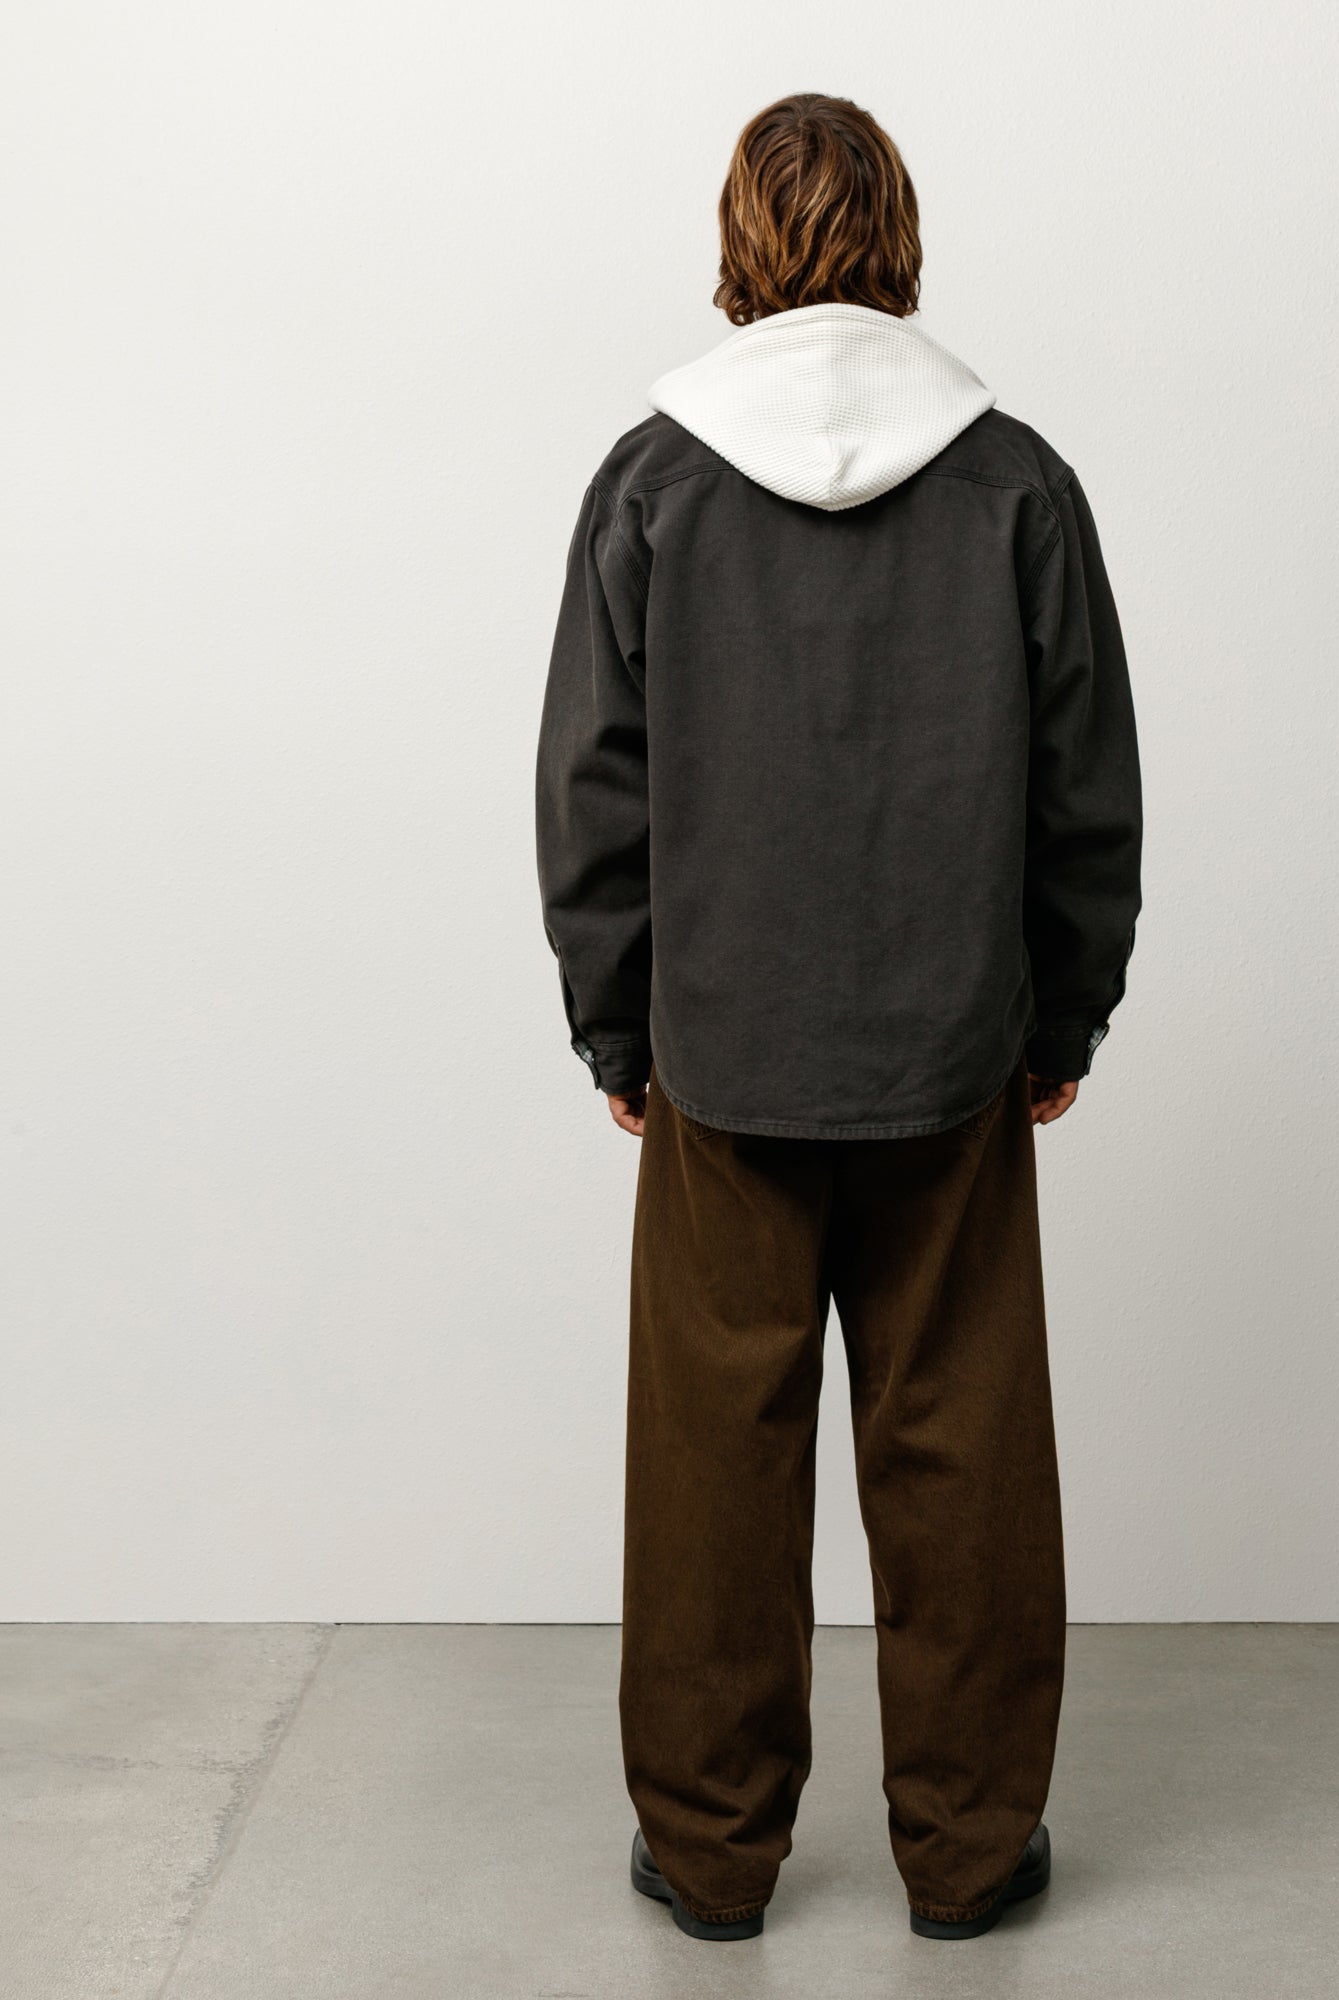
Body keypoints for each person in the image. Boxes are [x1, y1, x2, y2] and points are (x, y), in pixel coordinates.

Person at [535, 92, 1142, 1943]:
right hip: (952, 1057)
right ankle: (966, 1852)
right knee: (963, 1445)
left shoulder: (653, 480)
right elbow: (1086, 787)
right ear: (900, 236)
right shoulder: (1014, 481)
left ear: (740, 241)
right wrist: (1062, 1018)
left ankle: (712, 1856)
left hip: (723, 1060)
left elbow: (594, 786)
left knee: (713, 1458)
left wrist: (620, 1029)